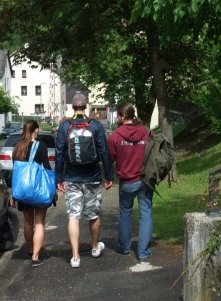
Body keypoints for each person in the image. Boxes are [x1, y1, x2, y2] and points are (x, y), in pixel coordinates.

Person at [55, 93, 114, 268]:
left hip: (72, 177)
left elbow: (59, 154)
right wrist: (109, 175)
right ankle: (95, 247)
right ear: (86, 107)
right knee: (93, 214)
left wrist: (59, 178)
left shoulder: (64, 126)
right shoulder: (95, 125)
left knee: (73, 216)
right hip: (93, 177)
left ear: (72, 107)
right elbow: (104, 152)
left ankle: (75, 257)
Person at [107, 102, 152, 260]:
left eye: (118, 115)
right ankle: (143, 251)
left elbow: (110, 157)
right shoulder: (146, 132)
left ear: (122, 116)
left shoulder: (115, 136)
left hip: (126, 181)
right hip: (145, 180)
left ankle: (125, 247)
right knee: (145, 214)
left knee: (125, 214)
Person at [11, 120, 57, 267]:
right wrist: (53, 188)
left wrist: (12, 193)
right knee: (39, 223)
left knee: (28, 222)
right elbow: (47, 167)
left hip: (23, 189)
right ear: (36, 130)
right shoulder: (41, 146)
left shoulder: (17, 147)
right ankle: (36, 257)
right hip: (38, 190)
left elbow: (16, 172)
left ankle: (31, 249)